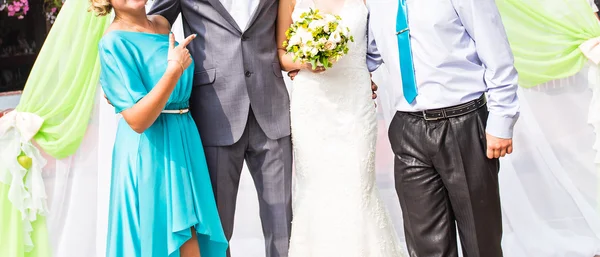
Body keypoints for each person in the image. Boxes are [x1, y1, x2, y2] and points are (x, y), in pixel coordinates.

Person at [367, 0, 520, 256]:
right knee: (425, 243)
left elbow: (497, 55)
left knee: (480, 239)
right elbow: (371, 52)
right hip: (407, 127)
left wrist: (502, 119)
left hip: (463, 122)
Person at [145, 0, 294, 256]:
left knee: (283, 223)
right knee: (216, 230)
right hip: (214, 110)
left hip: (271, 106)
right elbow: (151, 25)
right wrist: (132, 72)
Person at [91, 0, 228, 255]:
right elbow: (138, 120)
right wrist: (173, 70)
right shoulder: (113, 43)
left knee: (193, 238)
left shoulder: (163, 24)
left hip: (184, 140)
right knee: (165, 241)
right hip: (150, 151)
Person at [277, 0, 405, 256]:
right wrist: (305, 59)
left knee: (358, 186)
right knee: (315, 189)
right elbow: (282, 55)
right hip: (312, 105)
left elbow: (383, 40)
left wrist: (365, 71)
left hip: (355, 101)